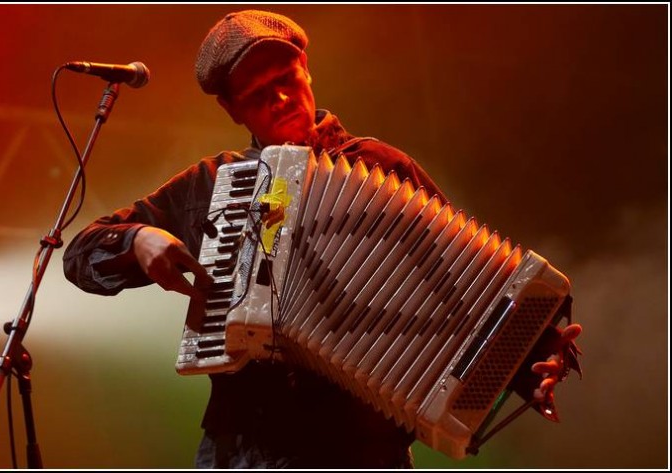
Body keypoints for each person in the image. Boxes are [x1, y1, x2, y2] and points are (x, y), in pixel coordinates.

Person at [63, 10, 581, 469]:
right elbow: (80, 253)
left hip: (363, 448)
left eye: (287, 78)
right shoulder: (210, 185)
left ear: (307, 70)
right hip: (246, 448)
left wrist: (530, 357)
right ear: (230, 109)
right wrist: (137, 240)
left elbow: (467, 286)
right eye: (259, 95)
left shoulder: (381, 168)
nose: (283, 98)